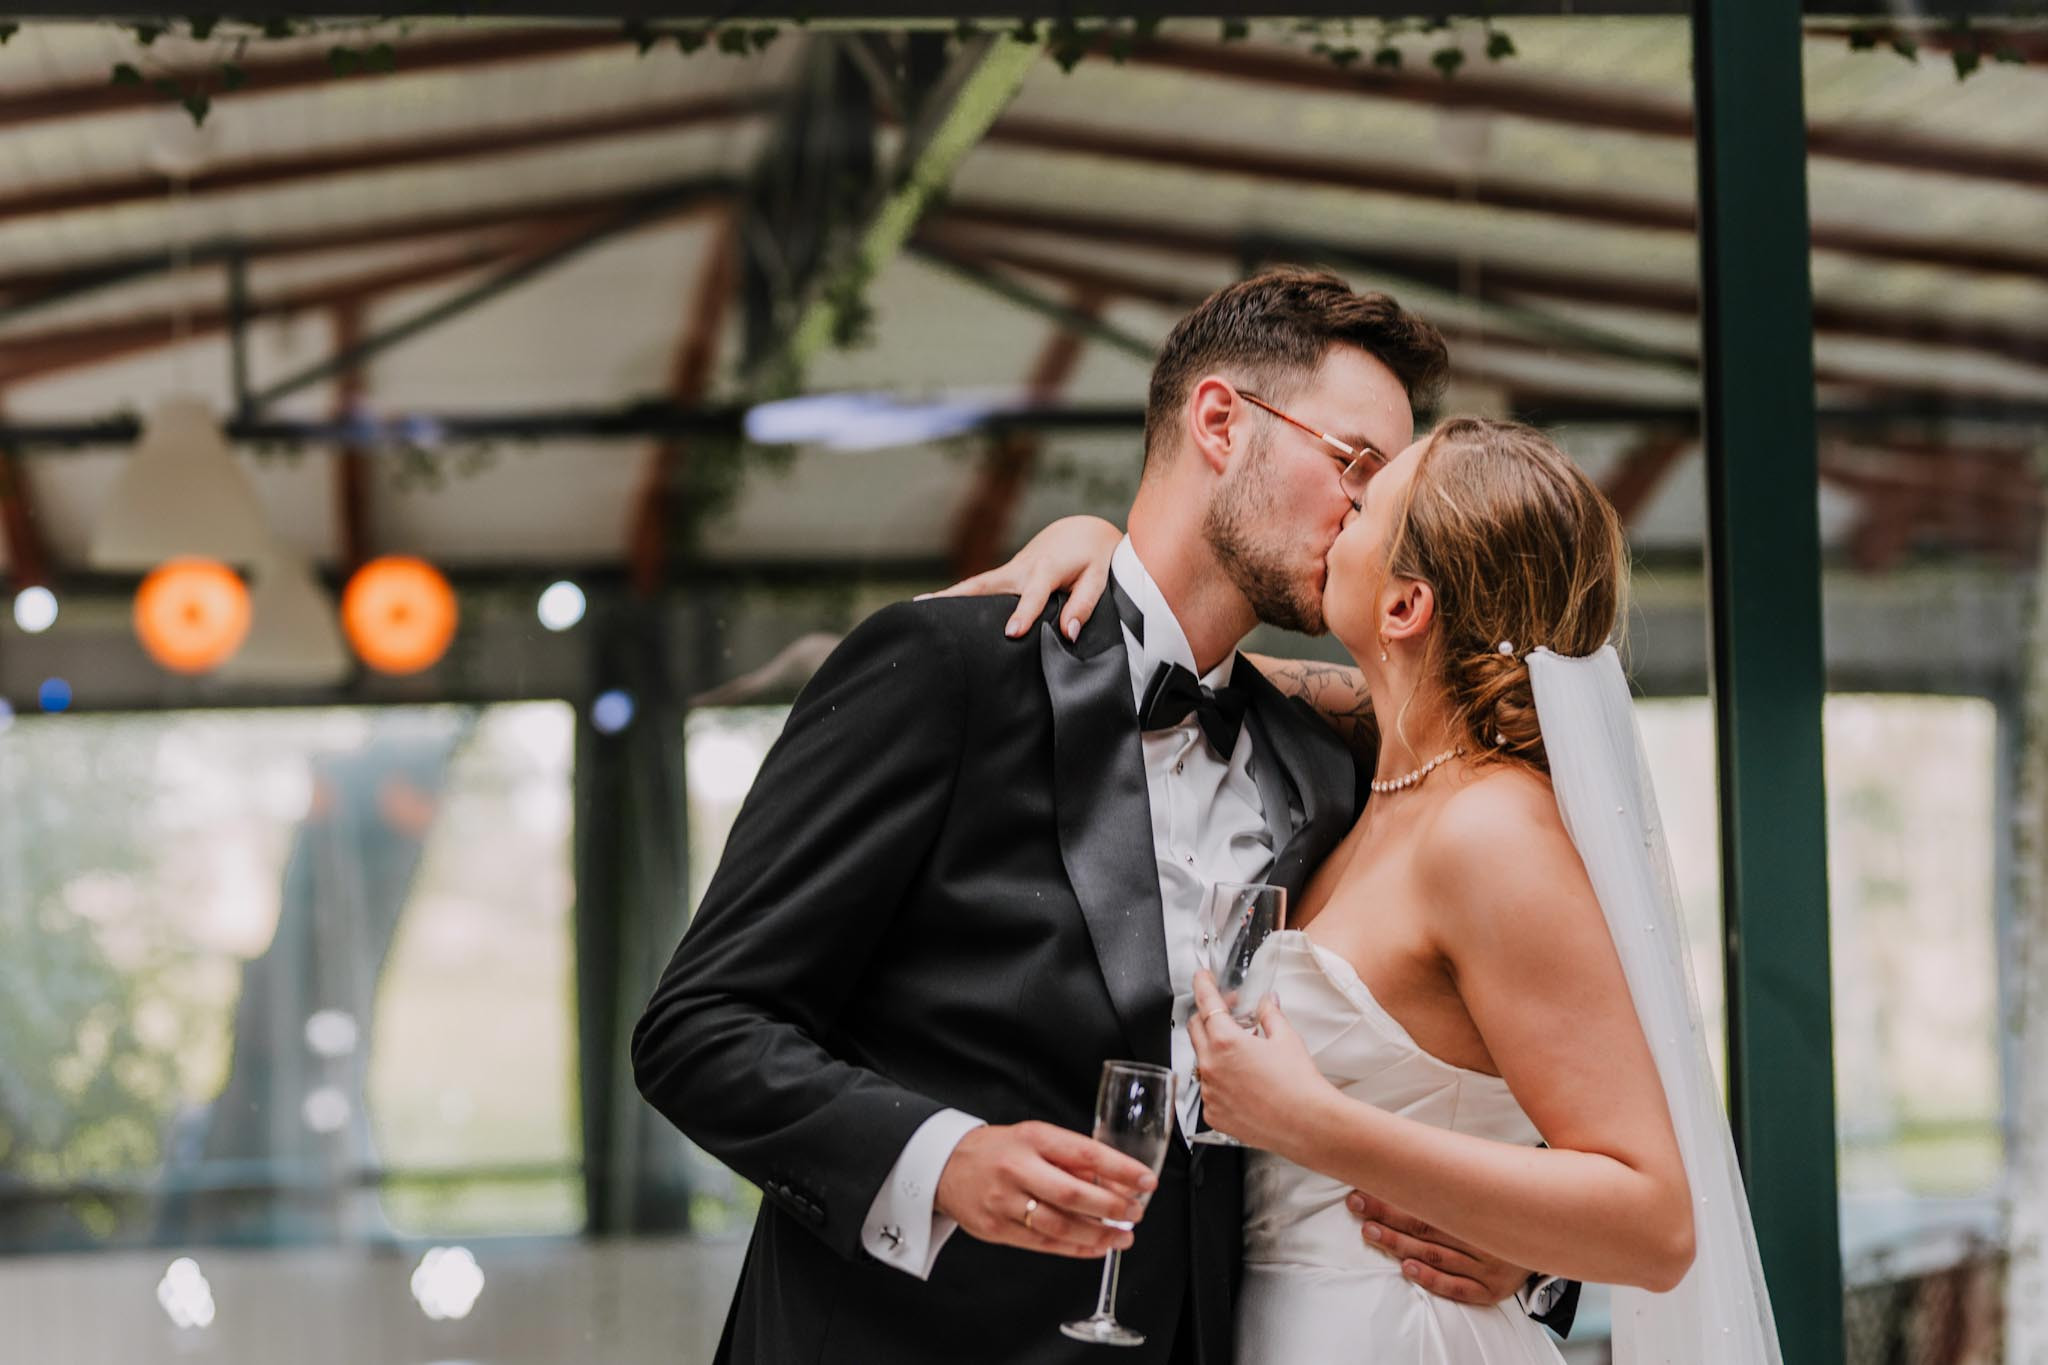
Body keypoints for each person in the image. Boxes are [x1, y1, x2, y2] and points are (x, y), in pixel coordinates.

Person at [630, 268, 1570, 1365]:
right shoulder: (948, 673)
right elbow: (701, 1026)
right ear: (1219, 422)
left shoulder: (1329, 762)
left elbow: (1506, 1022)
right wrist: (943, 1161)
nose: (1368, 516)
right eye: (1352, 464)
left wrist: (1529, 1249)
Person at [951, 417, 1782, 1363]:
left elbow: (1657, 1220)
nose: (1337, 509)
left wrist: (1316, 1125)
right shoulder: (1364, 778)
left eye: (1364, 506)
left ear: (1405, 606)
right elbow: (1175, 663)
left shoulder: (1492, 832)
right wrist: (1107, 552)